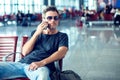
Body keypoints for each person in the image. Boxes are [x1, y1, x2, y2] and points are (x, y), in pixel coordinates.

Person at [0, 6, 69, 80]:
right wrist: (37, 33)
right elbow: (25, 52)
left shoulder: (62, 36)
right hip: (22, 64)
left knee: (42, 76)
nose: (53, 20)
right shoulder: (36, 33)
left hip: (41, 67)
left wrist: (41, 63)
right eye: (49, 18)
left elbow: (62, 53)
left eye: (55, 18)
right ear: (43, 20)